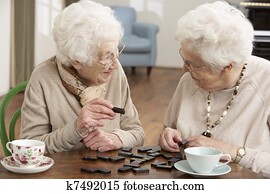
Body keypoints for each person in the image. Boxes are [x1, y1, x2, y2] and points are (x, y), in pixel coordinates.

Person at [158, 1, 270, 177]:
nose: (185, 70)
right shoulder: (189, 80)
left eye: (195, 65)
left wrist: (231, 151)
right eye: (185, 60)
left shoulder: (266, 81)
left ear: (227, 67)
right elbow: (169, 131)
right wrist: (168, 137)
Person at [20, 0, 144, 153]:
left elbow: (137, 133)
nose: (115, 64)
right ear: (77, 61)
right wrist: (76, 128)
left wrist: (117, 139)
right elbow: (28, 147)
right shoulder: (43, 78)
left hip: (109, 172)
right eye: (106, 57)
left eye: (115, 52)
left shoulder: (115, 72)